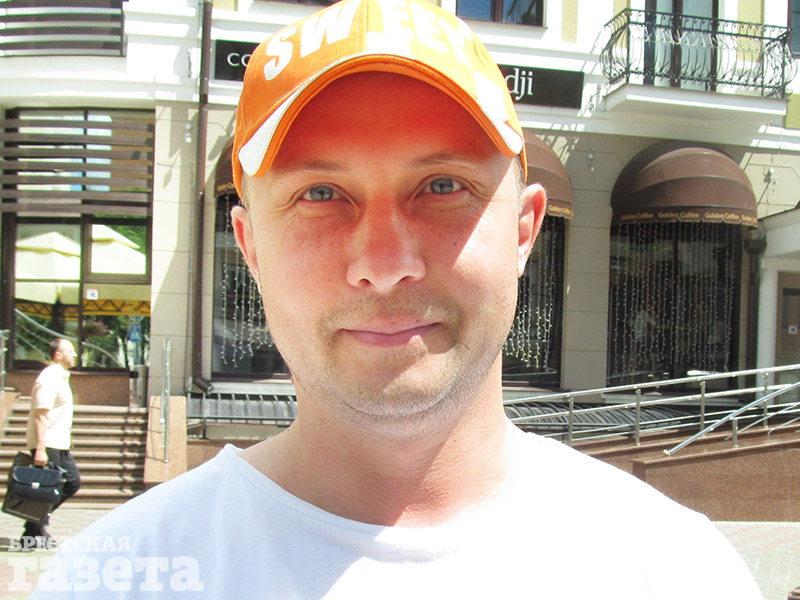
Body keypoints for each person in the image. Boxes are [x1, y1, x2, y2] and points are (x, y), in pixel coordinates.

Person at [32, 0, 762, 597]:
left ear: (523, 230)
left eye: (442, 186)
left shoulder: (679, 573)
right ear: (250, 246)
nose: (384, 265)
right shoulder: (115, 579)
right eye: (321, 194)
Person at [22, 337, 81, 548]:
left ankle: (33, 527)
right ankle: (32, 530)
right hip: (48, 443)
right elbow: (40, 414)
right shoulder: (49, 377)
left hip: (59, 443)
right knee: (56, 487)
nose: (75, 354)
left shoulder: (61, 377)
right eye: (70, 351)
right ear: (58, 355)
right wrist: (40, 449)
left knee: (68, 484)